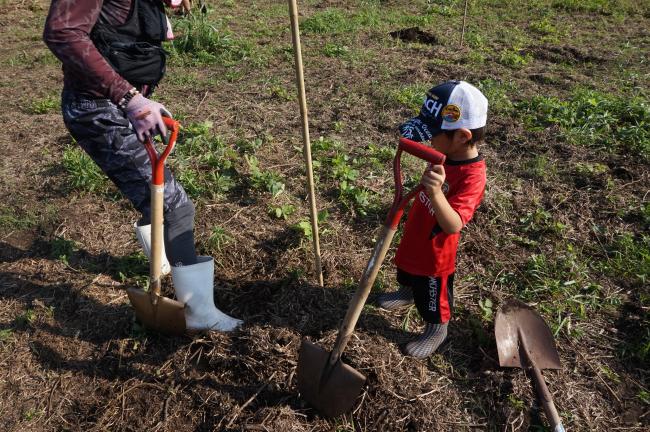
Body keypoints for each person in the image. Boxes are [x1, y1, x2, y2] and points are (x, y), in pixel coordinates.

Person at [43, 0, 242, 332]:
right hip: (99, 109)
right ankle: (199, 314)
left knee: (155, 197)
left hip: (121, 103)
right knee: (176, 207)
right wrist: (130, 99)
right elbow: (62, 32)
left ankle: (163, 268)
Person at [377, 80, 488, 358]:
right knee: (405, 267)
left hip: (435, 254)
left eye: (434, 133)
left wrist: (436, 193)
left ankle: (436, 331)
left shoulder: (473, 176)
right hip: (417, 233)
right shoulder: (446, 153)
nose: (429, 139)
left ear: (462, 136)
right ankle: (405, 293)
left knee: (431, 297)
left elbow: (454, 225)